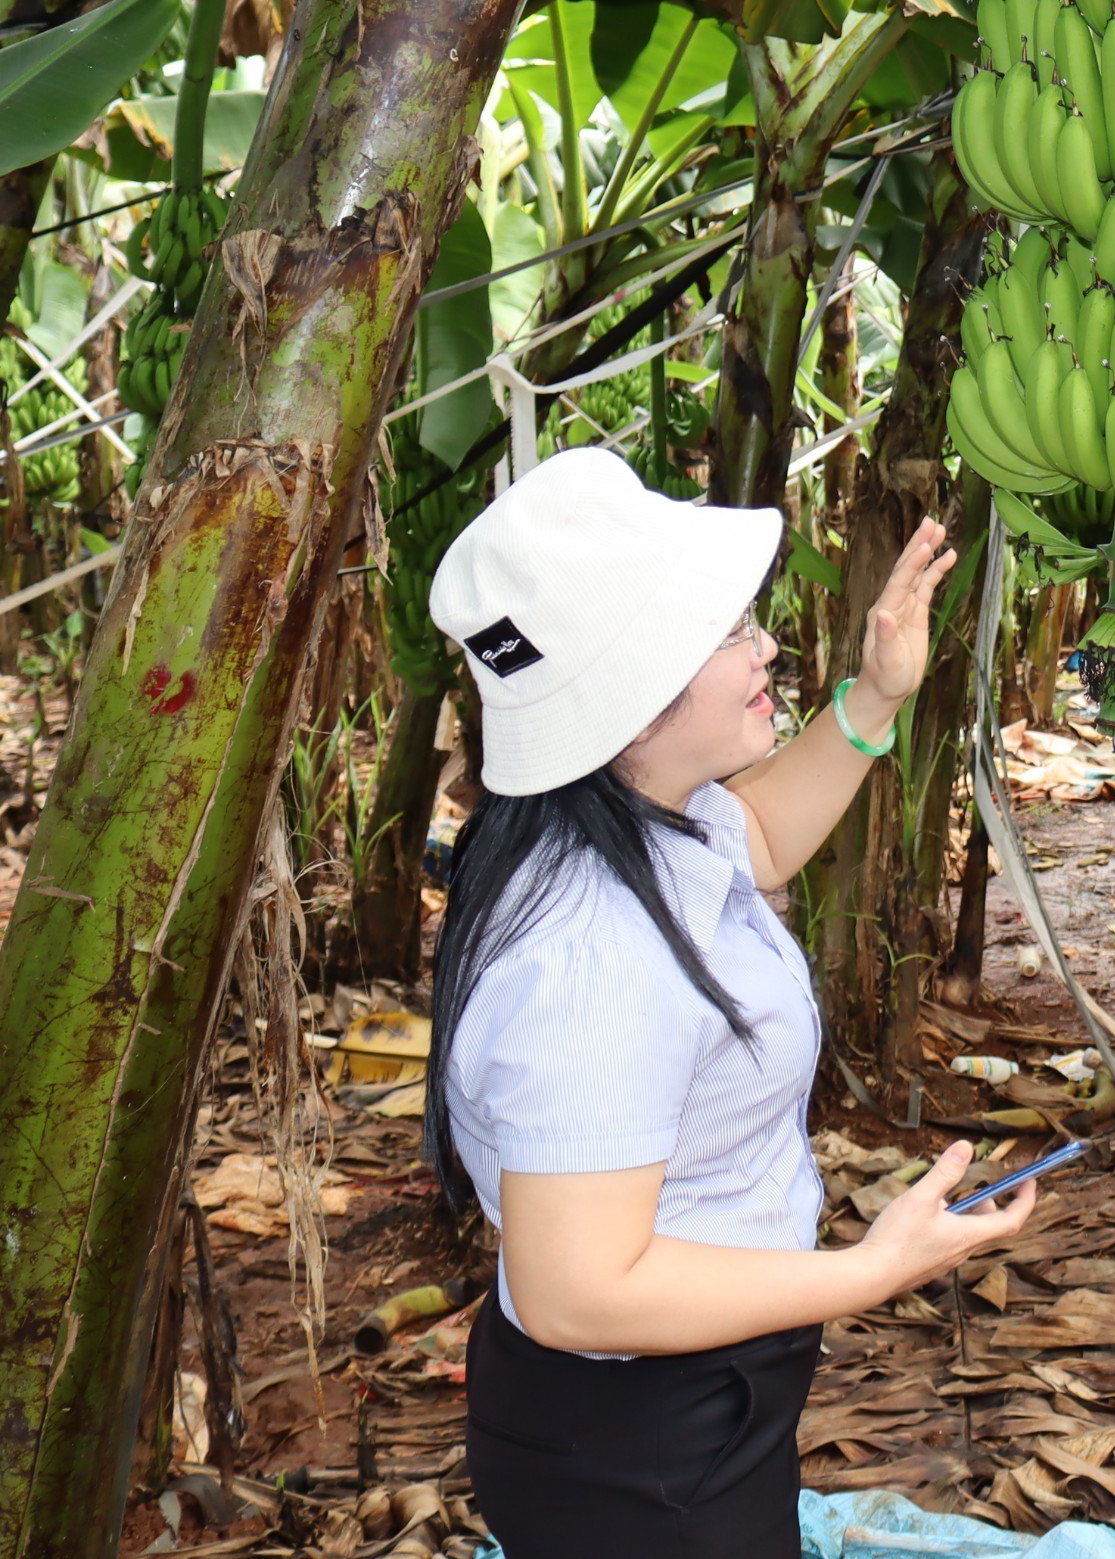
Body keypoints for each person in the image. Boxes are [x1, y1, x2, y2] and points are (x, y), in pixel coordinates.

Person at [420, 448, 1035, 1557]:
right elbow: (574, 1291)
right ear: (630, 700)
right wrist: (869, 1268)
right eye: (726, 632)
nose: (766, 646)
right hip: (637, 1454)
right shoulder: (589, 953)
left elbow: (756, 840)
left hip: (679, 1405)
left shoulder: (643, 810)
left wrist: (875, 695)